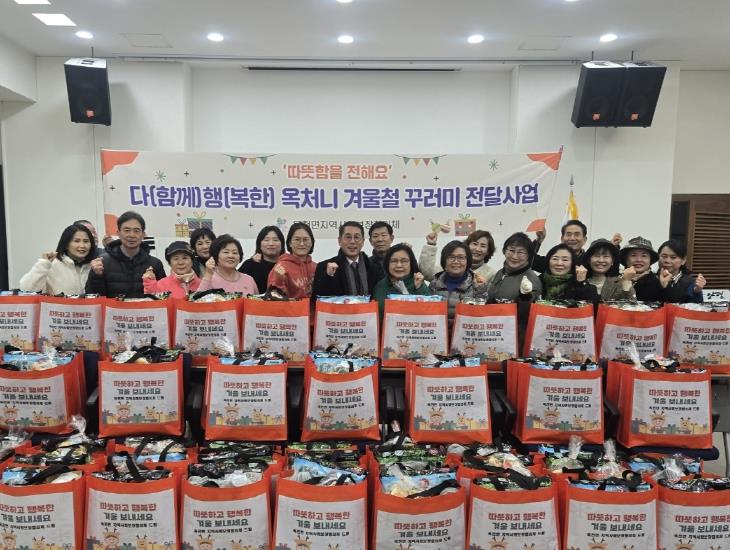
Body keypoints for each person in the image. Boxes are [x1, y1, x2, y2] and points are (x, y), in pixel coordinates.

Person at [85, 211, 166, 297]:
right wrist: (96, 276)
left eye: (136, 231)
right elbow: (92, 296)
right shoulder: (103, 262)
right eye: (127, 230)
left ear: (143, 235)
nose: (131, 235)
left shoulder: (155, 264)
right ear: (118, 233)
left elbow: (164, 296)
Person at [20, 223, 96, 295]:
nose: (82, 245)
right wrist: (43, 264)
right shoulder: (52, 264)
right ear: (66, 244)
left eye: (86, 241)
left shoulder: (94, 266)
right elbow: (26, 289)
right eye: (76, 241)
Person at [313, 221, 383, 297]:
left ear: (363, 241)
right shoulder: (324, 267)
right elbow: (317, 297)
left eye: (356, 237)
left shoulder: (374, 268)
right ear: (339, 240)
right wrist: (328, 276)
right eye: (348, 237)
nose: (352, 242)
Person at [428, 240, 489, 322]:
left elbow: (480, 316)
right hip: (439, 329)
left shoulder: (477, 285)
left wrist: (481, 289)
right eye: (451, 257)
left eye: (461, 257)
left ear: (468, 261)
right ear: (444, 260)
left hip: (464, 329)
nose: (456, 262)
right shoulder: (435, 283)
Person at [531, 220, 623, 273]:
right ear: (562, 239)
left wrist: (611, 247)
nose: (572, 238)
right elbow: (530, 260)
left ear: (585, 239)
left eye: (577, 234)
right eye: (568, 234)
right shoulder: (553, 261)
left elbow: (612, 270)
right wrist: (538, 240)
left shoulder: (590, 262)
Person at [372, 243, 430, 317]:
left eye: (404, 261)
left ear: (411, 263)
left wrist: (419, 289)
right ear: (387, 263)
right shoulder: (380, 286)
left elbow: (427, 314)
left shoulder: (419, 284)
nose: (399, 265)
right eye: (394, 261)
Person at [419, 229, 497, 283]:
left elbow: (491, 296)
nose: (477, 249)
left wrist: (483, 287)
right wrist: (431, 245)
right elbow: (427, 274)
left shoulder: (491, 274)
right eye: (475, 244)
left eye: (483, 246)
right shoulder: (450, 265)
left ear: (488, 251)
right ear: (467, 245)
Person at [485, 232, 542, 302]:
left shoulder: (531, 280)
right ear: (504, 251)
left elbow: (531, 304)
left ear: (528, 256)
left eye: (520, 252)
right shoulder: (500, 273)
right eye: (511, 250)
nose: (515, 257)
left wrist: (525, 296)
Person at [267, 222, 317, 299]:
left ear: (312, 242)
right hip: (291, 307)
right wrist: (279, 280)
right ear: (290, 243)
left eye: (305, 239)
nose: (301, 244)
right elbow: (274, 298)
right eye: (297, 239)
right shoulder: (281, 267)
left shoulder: (316, 267)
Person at [239, 225, 285, 293]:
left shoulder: (288, 265)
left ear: (282, 244)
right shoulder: (250, 265)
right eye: (266, 240)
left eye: (275, 240)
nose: (271, 243)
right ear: (259, 244)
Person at [619, 236, 662, 302]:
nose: (639, 260)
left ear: (650, 260)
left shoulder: (658, 282)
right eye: (633, 255)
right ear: (626, 259)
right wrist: (626, 281)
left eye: (644, 256)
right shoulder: (615, 280)